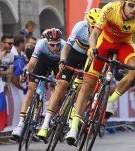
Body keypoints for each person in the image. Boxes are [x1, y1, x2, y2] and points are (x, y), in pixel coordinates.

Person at [65, 0, 135, 145]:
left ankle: (111, 100)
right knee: (87, 85)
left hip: (124, 45)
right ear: (122, 1)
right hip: (104, 43)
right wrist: (92, 48)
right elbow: (95, 33)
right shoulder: (110, 9)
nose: (134, 9)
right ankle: (74, 128)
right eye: (131, 4)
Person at [35, 7, 100, 140]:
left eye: (97, 26)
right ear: (88, 24)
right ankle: (45, 124)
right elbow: (67, 47)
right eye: (92, 26)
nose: (95, 29)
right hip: (74, 54)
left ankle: (73, 113)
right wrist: (63, 60)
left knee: (84, 87)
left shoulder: (102, 32)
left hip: (89, 58)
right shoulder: (79, 27)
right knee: (61, 86)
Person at [11, 28, 63, 140]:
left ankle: (52, 117)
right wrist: (25, 74)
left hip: (57, 63)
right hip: (43, 61)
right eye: (52, 45)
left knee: (61, 87)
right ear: (46, 42)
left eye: (57, 44)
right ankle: (20, 125)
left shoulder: (64, 46)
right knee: (30, 90)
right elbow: (31, 63)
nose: (55, 47)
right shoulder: (41, 44)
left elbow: (63, 69)